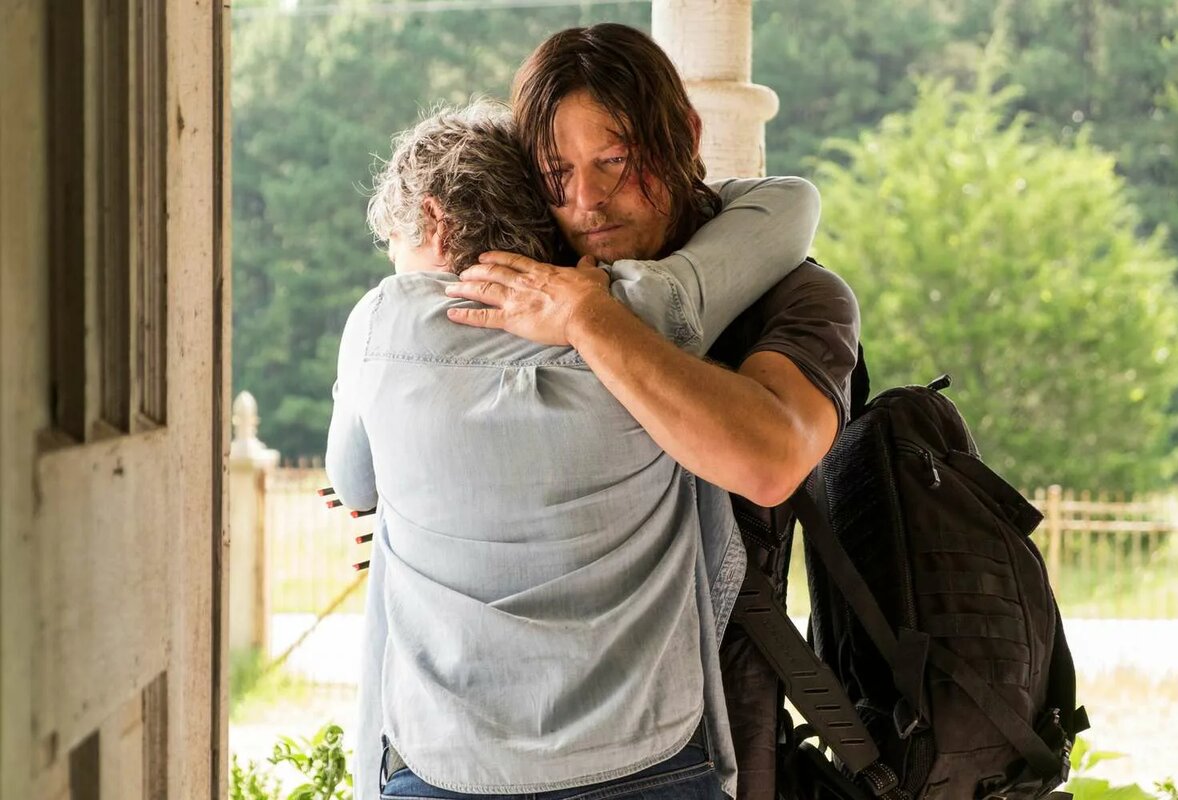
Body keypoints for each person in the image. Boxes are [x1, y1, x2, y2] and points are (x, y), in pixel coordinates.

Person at [326, 100, 823, 799]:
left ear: (433, 219)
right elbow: (790, 204)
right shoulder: (636, 312)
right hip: (649, 753)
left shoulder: (383, 318)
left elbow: (353, 485)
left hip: (450, 764)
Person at [445, 24, 861, 800]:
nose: (587, 200)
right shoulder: (529, 282)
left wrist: (591, 321)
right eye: (556, 173)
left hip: (702, 740)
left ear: (687, 137)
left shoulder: (800, 297)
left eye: (614, 160)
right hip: (497, 740)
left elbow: (768, 459)